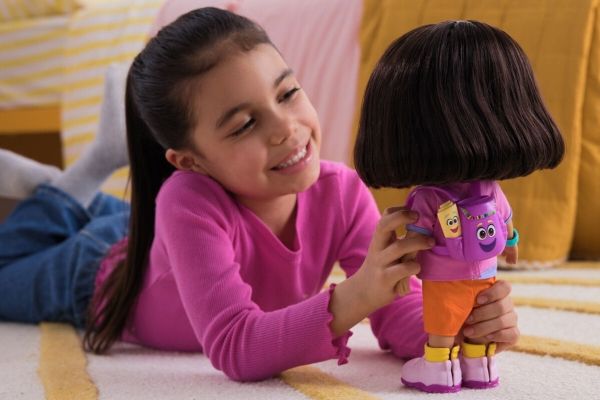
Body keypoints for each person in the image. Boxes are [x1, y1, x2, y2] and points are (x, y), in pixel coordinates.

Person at [0, 8, 519, 382]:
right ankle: (79, 177)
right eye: (245, 124)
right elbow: (235, 346)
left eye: (288, 93)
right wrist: (357, 294)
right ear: (190, 161)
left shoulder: (341, 191)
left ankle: (78, 192)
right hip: (94, 272)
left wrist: (463, 323)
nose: (285, 129)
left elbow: (397, 313)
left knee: (114, 217)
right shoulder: (185, 197)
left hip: (156, 237)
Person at [354, 20, 564, 393]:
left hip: (442, 277)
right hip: (485, 271)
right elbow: (506, 224)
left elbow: (417, 238)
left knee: (443, 323)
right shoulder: (491, 190)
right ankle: (480, 365)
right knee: (479, 318)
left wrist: (406, 262)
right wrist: (511, 244)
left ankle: (438, 368)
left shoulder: (427, 197)